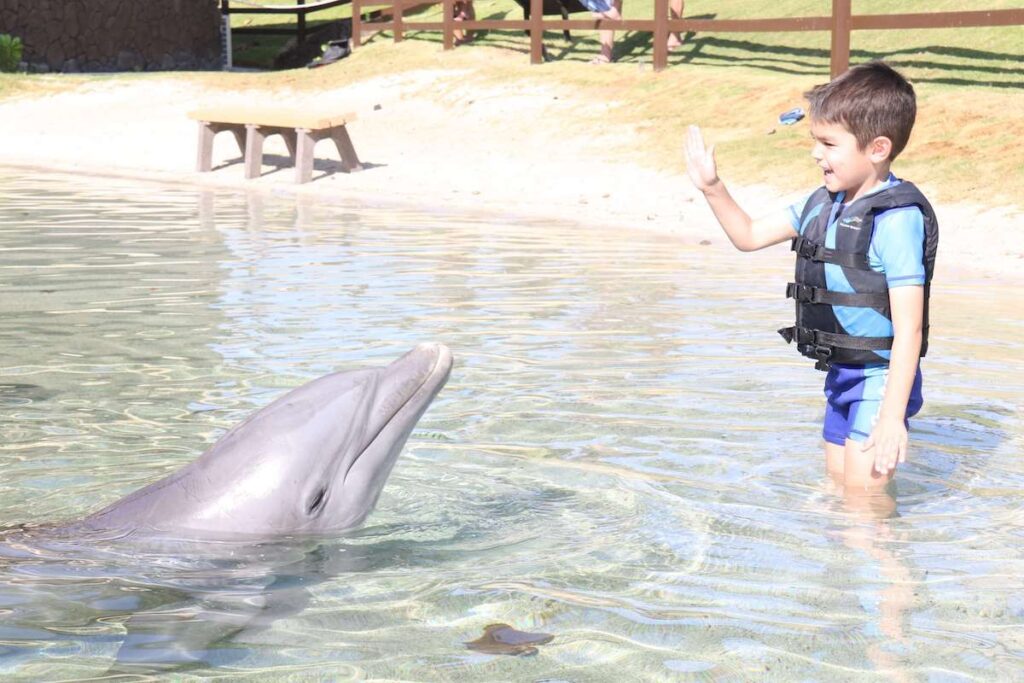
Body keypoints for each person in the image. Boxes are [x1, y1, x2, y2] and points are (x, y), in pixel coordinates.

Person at [684, 61, 938, 491]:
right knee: (839, 496)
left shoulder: (896, 221)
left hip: (880, 380)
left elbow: (909, 328)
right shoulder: (821, 204)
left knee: (865, 510)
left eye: (828, 143)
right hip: (842, 375)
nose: (815, 153)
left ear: (877, 148)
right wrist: (712, 187)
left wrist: (892, 417)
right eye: (814, 141)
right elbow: (748, 236)